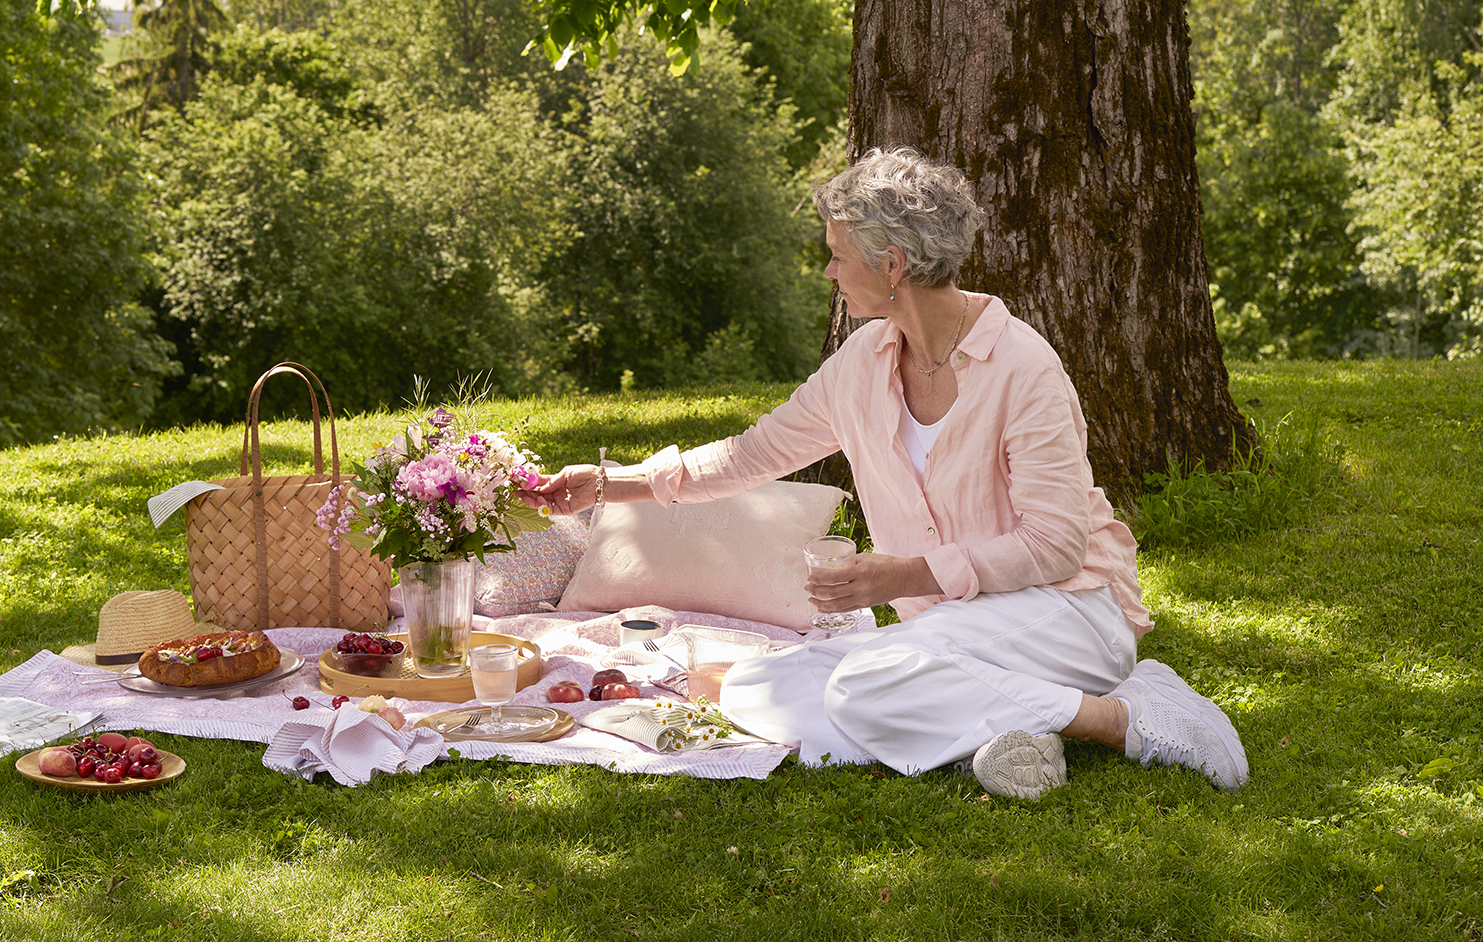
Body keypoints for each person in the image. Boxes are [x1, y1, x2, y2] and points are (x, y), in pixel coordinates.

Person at [532, 147, 1249, 798]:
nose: (828, 272)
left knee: (864, 684)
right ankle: (1017, 732)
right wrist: (610, 484)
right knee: (758, 686)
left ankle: (1128, 716)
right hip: (953, 632)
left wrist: (901, 577)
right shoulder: (863, 363)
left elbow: (1054, 548)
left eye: (838, 254)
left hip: (1064, 613)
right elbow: (754, 455)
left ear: (893, 264)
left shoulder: (1023, 367)